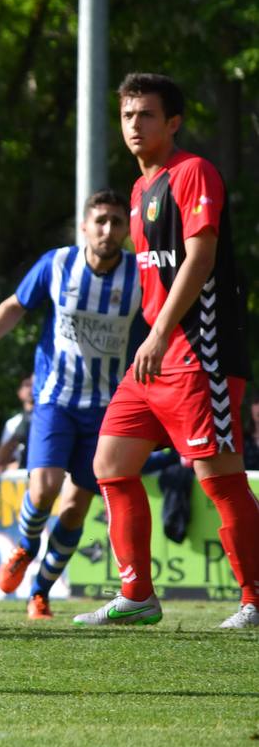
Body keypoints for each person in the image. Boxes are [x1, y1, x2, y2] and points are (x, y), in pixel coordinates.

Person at [75, 73, 256, 629]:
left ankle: (254, 599)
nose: (134, 125)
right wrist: (151, 337)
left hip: (202, 352)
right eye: (128, 115)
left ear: (172, 122)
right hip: (155, 355)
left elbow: (200, 260)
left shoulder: (192, 172)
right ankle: (137, 595)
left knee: (218, 476)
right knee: (109, 464)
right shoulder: (137, 190)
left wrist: (157, 333)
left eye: (146, 115)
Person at [0, 190, 142, 619]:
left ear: (126, 230)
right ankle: (24, 546)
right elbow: (14, 306)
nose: (107, 229)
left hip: (106, 408)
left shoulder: (139, 276)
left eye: (116, 221)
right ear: (84, 226)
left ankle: (40, 591)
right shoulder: (58, 264)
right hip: (55, 398)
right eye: (100, 220)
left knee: (76, 506)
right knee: (42, 489)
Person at [0, 376, 36, 476]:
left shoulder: (53, 419)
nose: (31, 388)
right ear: (19, 392)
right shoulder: (13, 423)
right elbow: (2, 459)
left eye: (34, 384)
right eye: (27, 384)